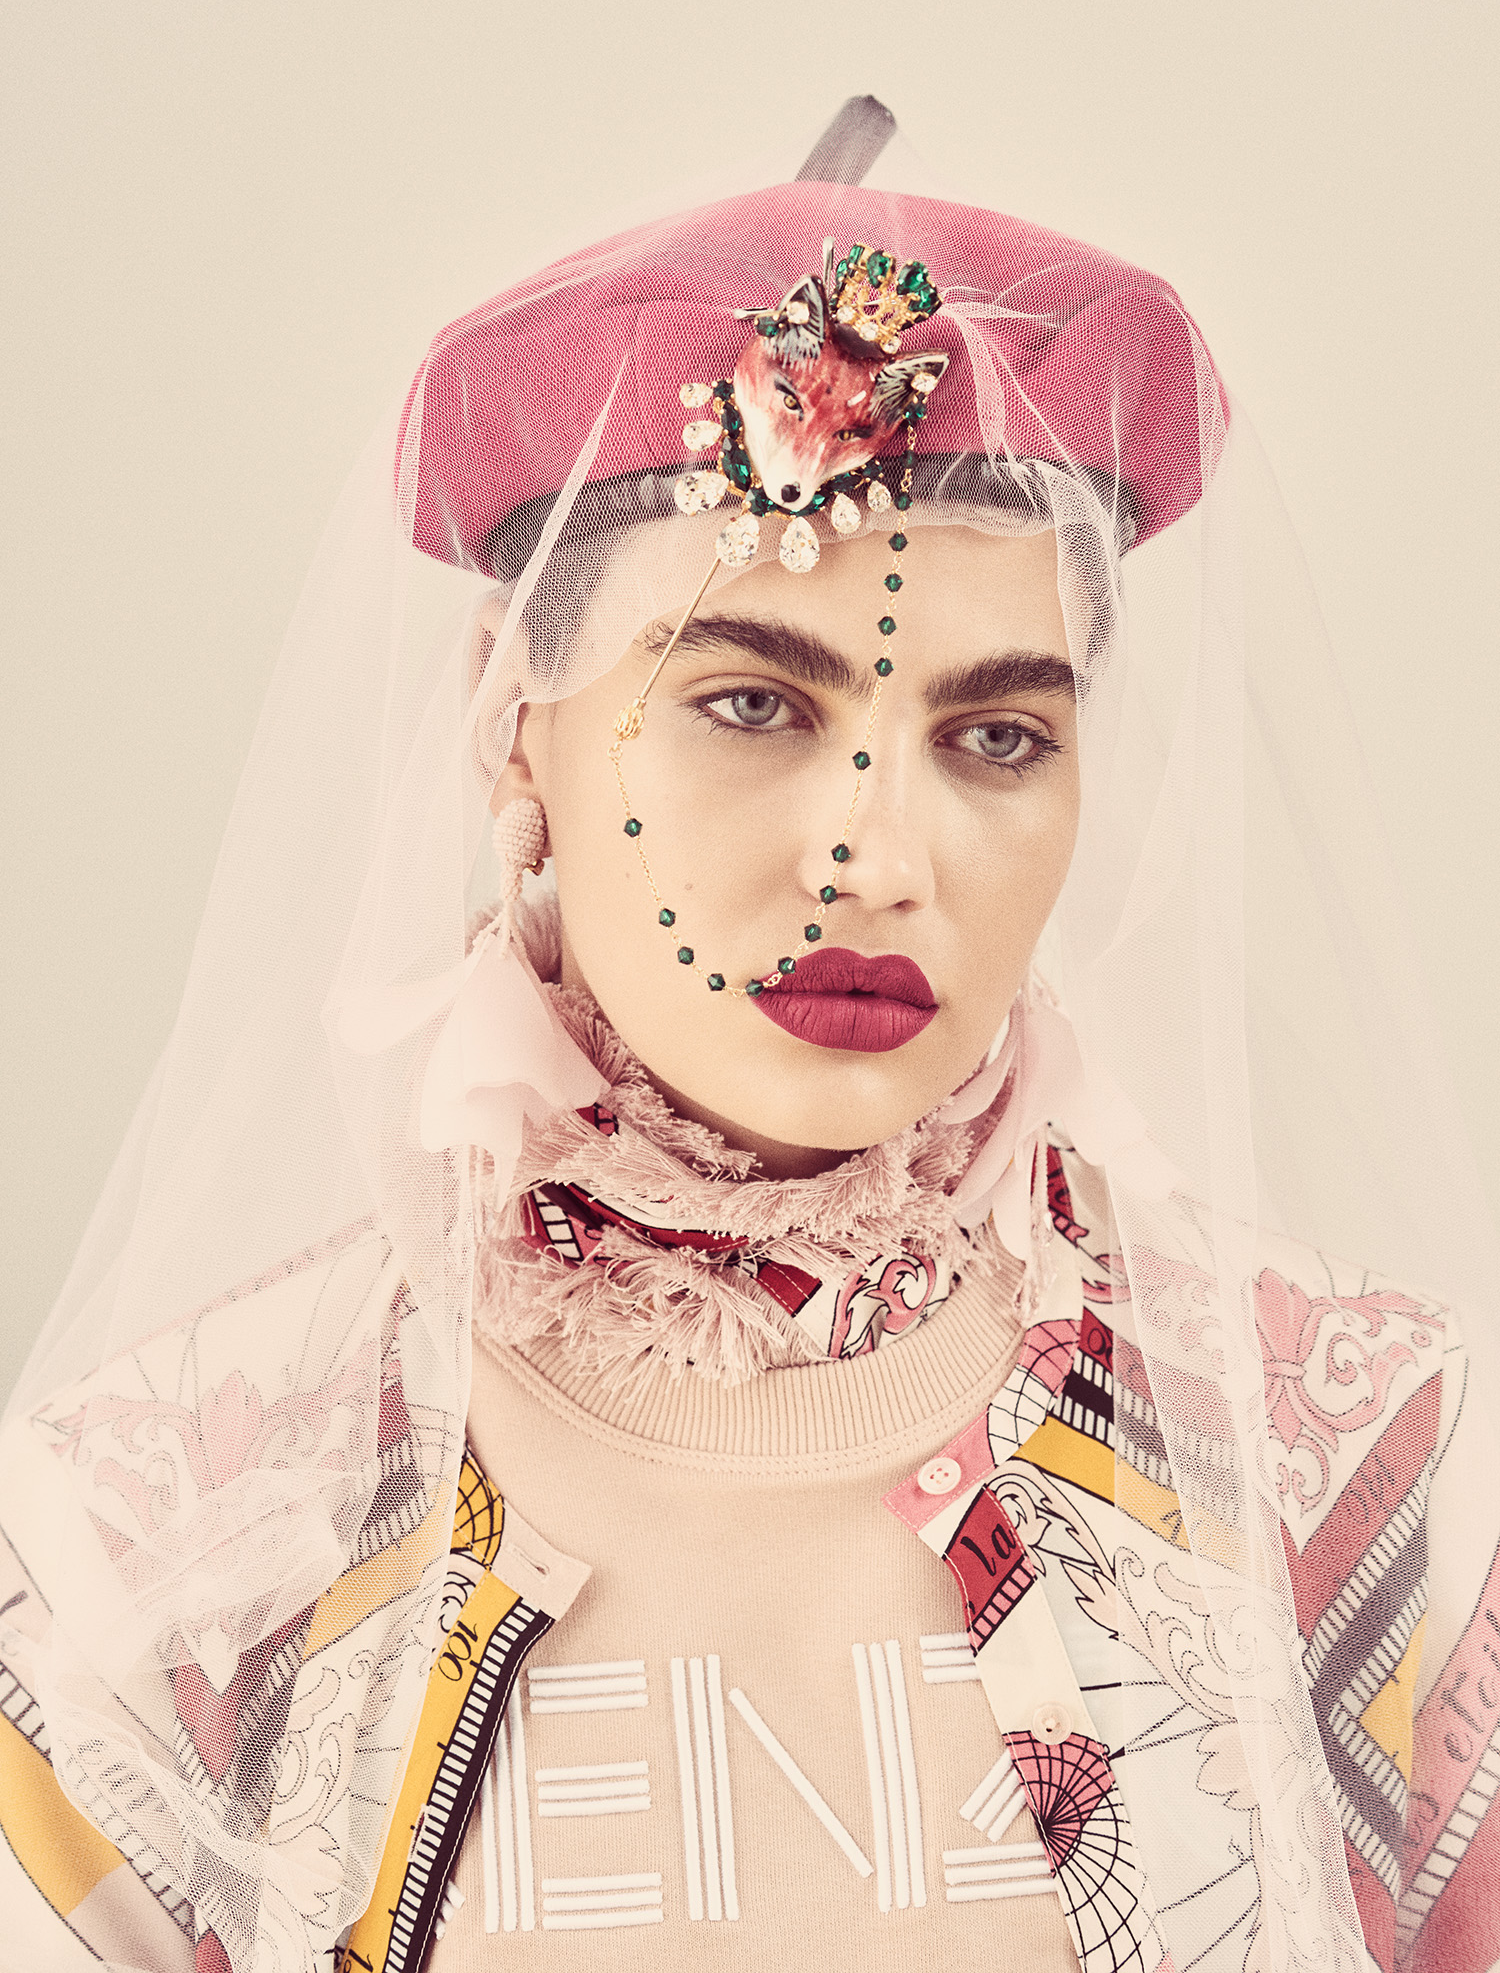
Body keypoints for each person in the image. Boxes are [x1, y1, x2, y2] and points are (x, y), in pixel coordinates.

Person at [1, 98, 1495, 1973]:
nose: (880, 856)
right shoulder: (168, 1543)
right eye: (751, 706)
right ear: (511, 733)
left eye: (998, 737)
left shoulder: (1350, 1465)